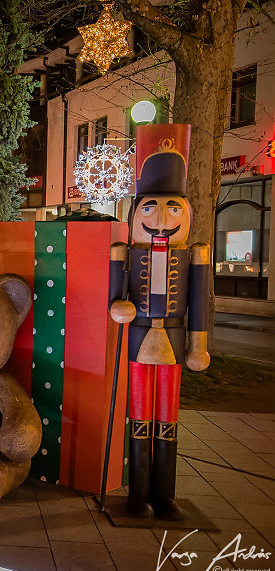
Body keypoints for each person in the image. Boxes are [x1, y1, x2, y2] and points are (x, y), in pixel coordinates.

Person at [109, 123, 210, 520]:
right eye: (149, 206)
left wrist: (197, 345)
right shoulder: (126, 252)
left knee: (167, 418)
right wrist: (120, 308)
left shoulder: (194, 255)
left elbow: (198, 303)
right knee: (139, 416)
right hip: (137, 342)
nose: (161, 216)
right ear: (136, 212)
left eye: (173, 207)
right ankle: (138, 494)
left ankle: (164, 494)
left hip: (172, 338)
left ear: (186, 211)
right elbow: (116, 297)